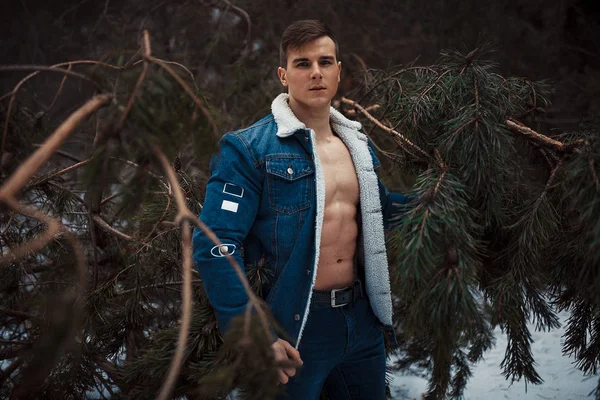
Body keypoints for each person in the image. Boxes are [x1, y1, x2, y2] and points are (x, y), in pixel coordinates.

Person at [192, 19, 409, 400]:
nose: (316, 73)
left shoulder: (357, 143)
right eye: (302, 64)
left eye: (325, 62)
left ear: (339, 72)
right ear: (283, 74)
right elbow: (215, 243)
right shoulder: (249, 149)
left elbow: (380, 211)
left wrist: (441, 201)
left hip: (361, 323)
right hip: (295, 326)